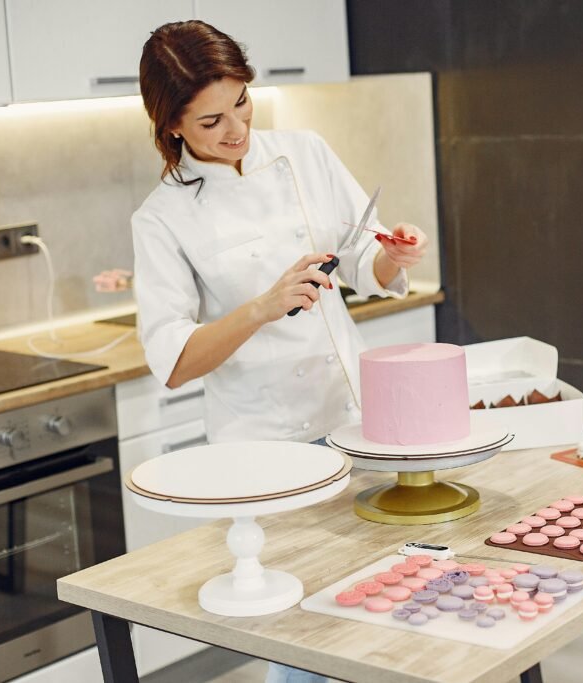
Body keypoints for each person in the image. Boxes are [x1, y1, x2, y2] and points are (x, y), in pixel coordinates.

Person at [133, 20, 428, 683]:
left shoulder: (303, 153)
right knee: (305, 632)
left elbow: (359, 257)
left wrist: (393, 254)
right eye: (211, 121)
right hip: (264, 450)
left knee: (387, 608)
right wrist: (263, 307)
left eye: (242, 102)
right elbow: (174, 358)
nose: (236, 127)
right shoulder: (161, 218)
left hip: (352, 423)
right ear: (171, 124)